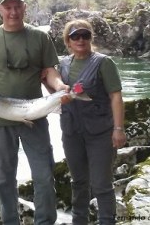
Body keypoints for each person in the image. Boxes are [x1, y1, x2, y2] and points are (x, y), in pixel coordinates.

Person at [0, 0, 69, 225]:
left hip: (35, 116)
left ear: (24, 7)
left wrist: (60, 87)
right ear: (0, 9)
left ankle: (45, 221)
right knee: (3, 178)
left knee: (43, 175)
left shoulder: (40, 38)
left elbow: (51, 73)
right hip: (0, 120)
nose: (13, 11)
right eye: (8, 7)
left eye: (17, 6)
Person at [56, 19, 127, 224]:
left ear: (90, 39)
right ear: (67, 41)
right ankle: (80, 221)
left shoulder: (104, 62)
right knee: (78, 182)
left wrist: (118, 128)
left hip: (100, 133)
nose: (80, 40)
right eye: (75, 36)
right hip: (71, 133)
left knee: (102, 184)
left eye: (85, 36)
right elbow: (55, 94)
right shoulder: (63, 65)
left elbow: (116, 96)